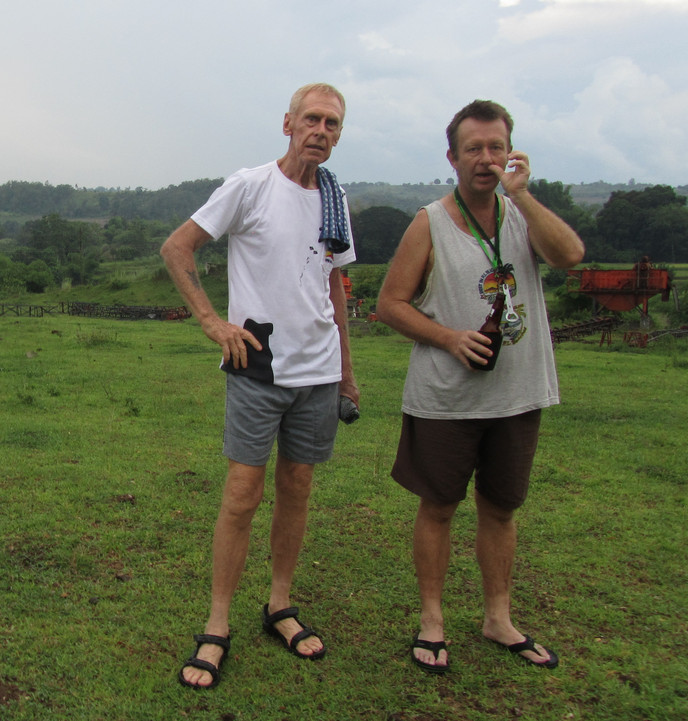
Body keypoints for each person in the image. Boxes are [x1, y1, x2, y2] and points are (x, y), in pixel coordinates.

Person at [160, 83, 358, 689]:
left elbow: (334, 287)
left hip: (319, 373)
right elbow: (178, 247)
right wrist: (211, 321)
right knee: (242, 494)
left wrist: (348, 375)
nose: (320, 130)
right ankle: (217, 624)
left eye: (332, 123)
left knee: (297, 487)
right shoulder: (250, 186)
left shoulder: (334, 199)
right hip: (258, 366)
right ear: (287, 124)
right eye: (311, 119)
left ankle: (279, 605)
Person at [376, 99, 585, 674]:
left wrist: (522, 196)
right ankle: (432, 620)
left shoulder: (523, 216)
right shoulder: (431, 222)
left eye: (496, 147)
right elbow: (390, 304)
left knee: (501, 509)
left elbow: (570, 256)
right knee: (439, 507)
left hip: (516, 394)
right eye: (474, 149)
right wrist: (449, 338)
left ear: (511, 153)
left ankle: (499, 618)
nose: (486, 159)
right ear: (453, 157)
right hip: (447, 397)